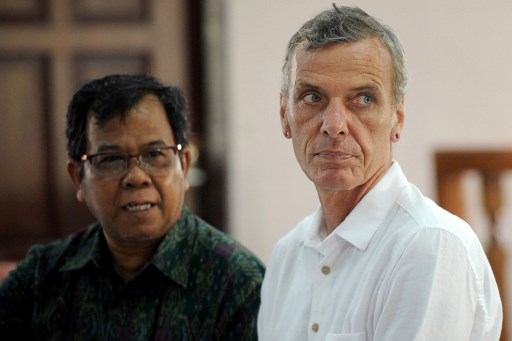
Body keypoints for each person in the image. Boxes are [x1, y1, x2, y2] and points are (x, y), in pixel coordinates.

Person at [258, 5, 502, 340]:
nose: (334, 125)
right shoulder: (287, 257)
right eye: (312, 97)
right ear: (285, 116)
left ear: (397, 118)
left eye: (363, 99)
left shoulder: (429, 246)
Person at [0, 73, 265, 340]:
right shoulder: (40, 279)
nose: (136, 177)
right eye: (112, 158)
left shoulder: (239, 283)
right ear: (78, 177)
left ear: (183, 166)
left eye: (154, 155)